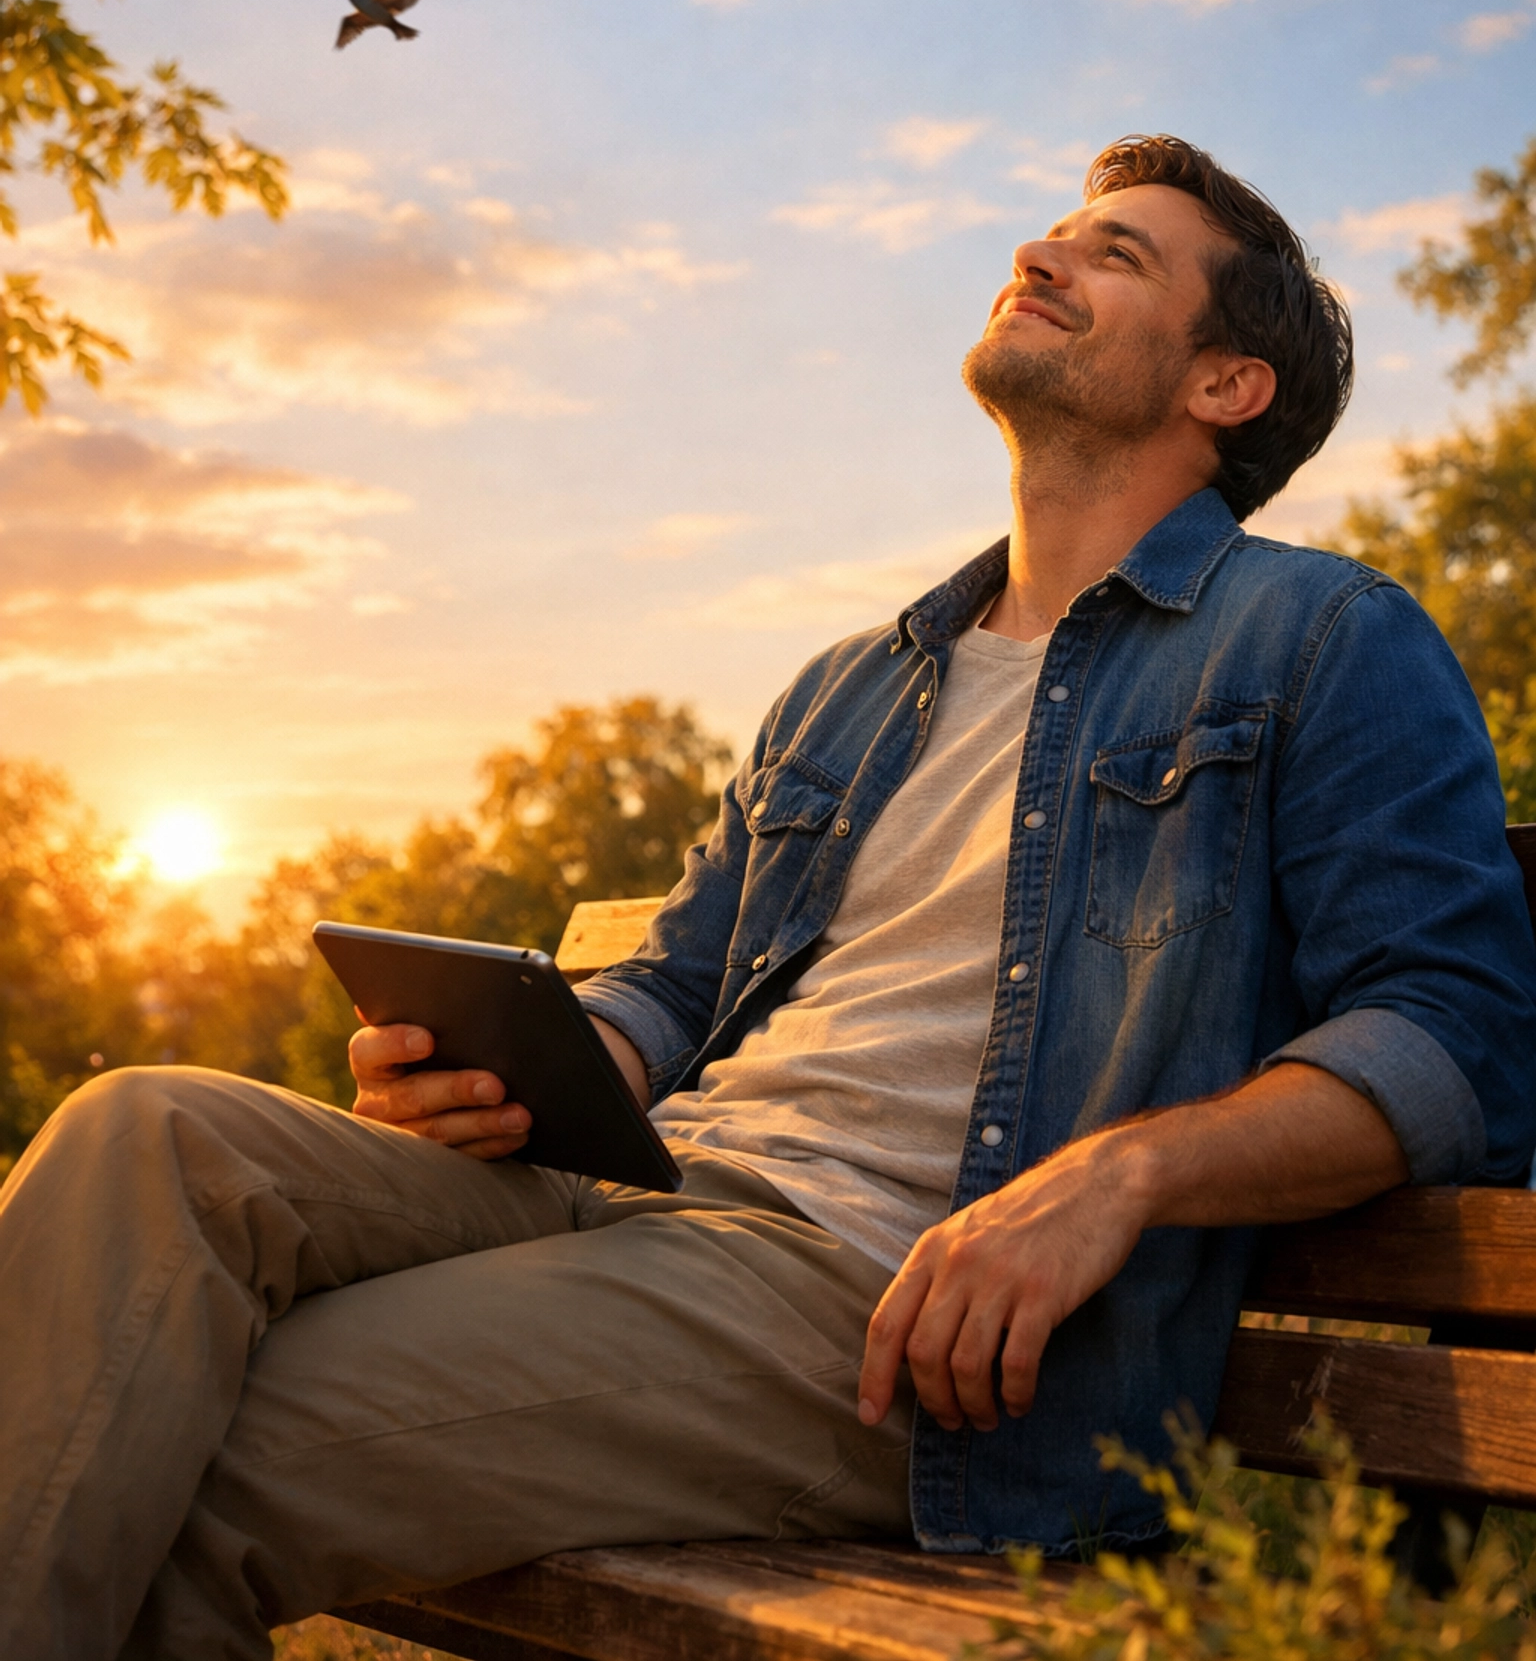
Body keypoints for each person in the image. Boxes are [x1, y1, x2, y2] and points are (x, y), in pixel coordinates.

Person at [3, 135, 1533, 1661]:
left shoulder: (1322, 639)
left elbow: (1455, 1032)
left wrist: (1112, 1177)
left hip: (870, 1309)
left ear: (1226, 386)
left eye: (1117, 254)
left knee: (167, 1455)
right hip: (629, 1196)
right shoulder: (855, 686)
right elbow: (671, 990)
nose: (1043, 256)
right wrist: (528, 1073)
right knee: (149, 1131)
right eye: (1055, 235)